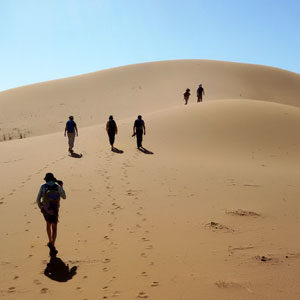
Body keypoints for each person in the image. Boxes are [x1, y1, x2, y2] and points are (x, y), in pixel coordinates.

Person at [36, 173, 66, 254]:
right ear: (53, 179)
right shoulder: (57, 186)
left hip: (46, 210)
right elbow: (64, 197)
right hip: (55, 210)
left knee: (48, 224)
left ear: (46, 179)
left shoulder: (43, 186)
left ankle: (49, 240)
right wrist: (62, 187)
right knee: (55, 227)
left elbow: (38, 200)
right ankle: (53, 244)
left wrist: (41, 208)